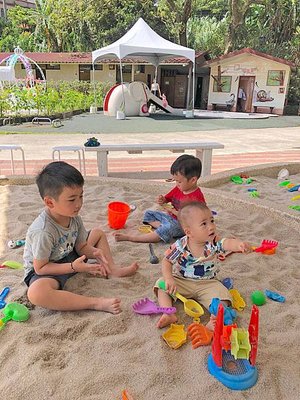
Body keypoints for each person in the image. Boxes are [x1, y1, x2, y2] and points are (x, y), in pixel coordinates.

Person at [23, 161, 139, 313]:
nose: (79, 204)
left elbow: (81, 246)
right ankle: (94, 303)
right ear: (50, 202)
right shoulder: (43, 231)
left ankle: (112, 269)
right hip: (47, 269)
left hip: (69, 254)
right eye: (72, 199)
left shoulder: (73, 216)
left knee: (97, 233)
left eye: (81, 196)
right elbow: (41, 267)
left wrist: (94, 252)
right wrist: (73, 267)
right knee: (37, 293)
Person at [154, 202, 250, 329]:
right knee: (161, 284)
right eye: (204, 224)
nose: (211, 227)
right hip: (183, 281)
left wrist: (239, 245)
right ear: (189, 232)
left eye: (212, 221)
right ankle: (168, 313)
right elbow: (167, 261)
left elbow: (227, 243)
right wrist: (169, 279)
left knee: (224, 297)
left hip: (208, 283)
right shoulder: (180, 245)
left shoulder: (214, 241)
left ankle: (214, 320)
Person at [114, 155, 205, 244]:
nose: (177, 184)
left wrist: (173, 211)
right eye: (175, 180)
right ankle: (163, 229)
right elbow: (167, 199)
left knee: (167, 228)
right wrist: (163, 200)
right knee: (148, 214)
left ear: (193, 180)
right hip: (170, 218)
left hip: (182, 225)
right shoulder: (179, 188)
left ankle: (133, 238)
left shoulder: (196, 198)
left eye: (179, 181)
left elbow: (192, 219)